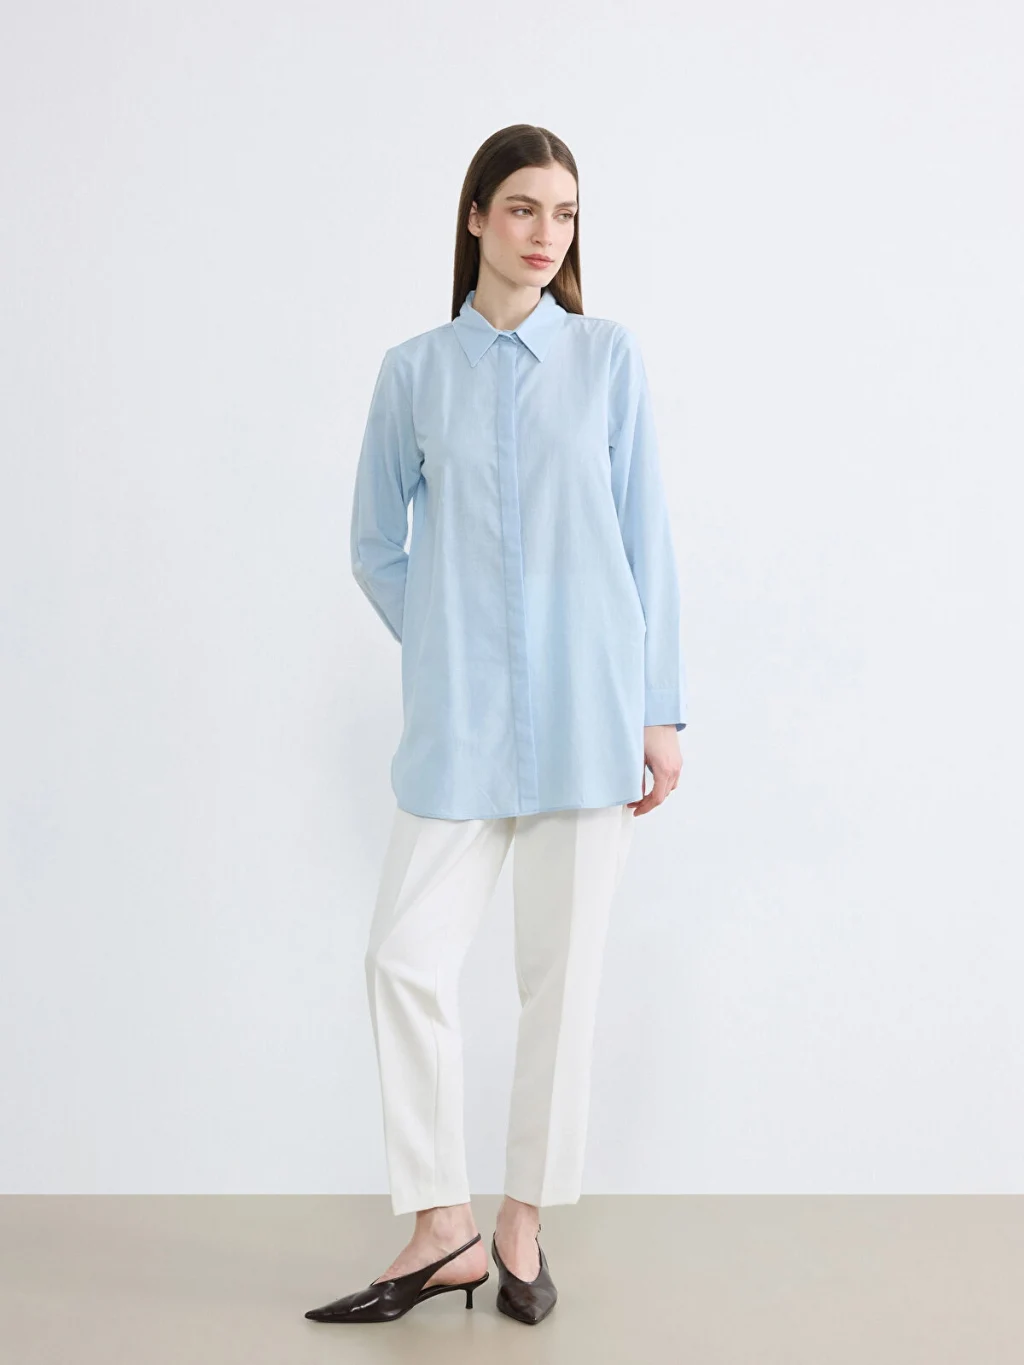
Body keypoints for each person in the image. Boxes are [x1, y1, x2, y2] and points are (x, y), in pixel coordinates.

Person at [305, 124, 687, 1328]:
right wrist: (447, 638)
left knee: (558, 983)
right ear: (475, 215)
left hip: (590, 713)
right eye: (522, 208)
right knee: (402, 957)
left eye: (564, 214)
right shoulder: (413, 372)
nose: (544, 235)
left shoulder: (607, 358)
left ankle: (520, 1223)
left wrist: (659, 710)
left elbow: (647, 540)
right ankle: (444, 1227)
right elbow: (375, 544)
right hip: (460, 725)